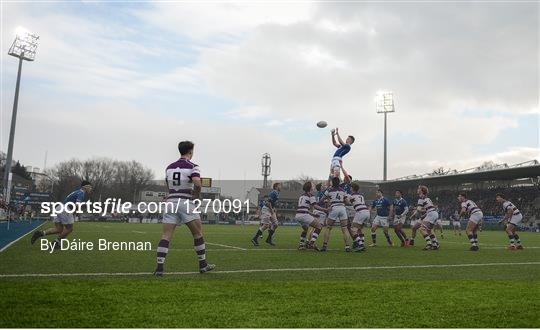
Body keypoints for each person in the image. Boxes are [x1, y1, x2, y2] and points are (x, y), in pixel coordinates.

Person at [153, 141, 214, 276]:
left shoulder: (169, 167)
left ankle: (159, 268)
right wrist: (196, 196)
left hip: (171, 201)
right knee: (198, 234)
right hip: (185, 202)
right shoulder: (193, 166)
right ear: (190, 151)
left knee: (166, 235)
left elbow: (168, 186)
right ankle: (203, 264)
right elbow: (197, 184)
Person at [31, 181, 93, 248]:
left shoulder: (77, 191)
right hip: (65, 209)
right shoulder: (81, 193)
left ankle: (40, 233)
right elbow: (77, 205)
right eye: (90, 187)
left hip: (59, 208)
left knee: (59, 229)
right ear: (85, 187)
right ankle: (56, 243)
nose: (90, 189)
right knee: (69, 229)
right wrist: (75, 213)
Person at [321, 177, 352, 252]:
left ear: (332, 182)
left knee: (328, 227)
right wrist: (351, 202)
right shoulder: (343, 190)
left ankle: (325, 246)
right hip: (342, 208)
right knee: (344, 228)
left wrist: (327, 199)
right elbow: (347, 202)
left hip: (334, 208)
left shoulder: (329, 190)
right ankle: (347, 246)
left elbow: (322, 199)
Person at [295, 182, 328, 250]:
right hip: (304, 215)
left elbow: (303, 208)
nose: (313, 186)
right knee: (319, 226)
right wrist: (325, 209)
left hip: (298, 215)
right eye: (312, 185)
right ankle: (312, 243)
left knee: (306, 229)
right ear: (310, 187)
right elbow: (315, 206)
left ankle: (301, 245)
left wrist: (313, 214)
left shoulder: (301, 196)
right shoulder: (311, 195)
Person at [411, 185, 440, 250]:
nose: (417, 190)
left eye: (419, 189)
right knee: (429, 230)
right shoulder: (427, 198)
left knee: (421, 229)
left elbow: (419, 209)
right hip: (434, 213)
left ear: (421, 191)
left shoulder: (421, 198)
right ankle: (435, 245)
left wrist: (414, 209)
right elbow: (428, 208)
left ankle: (429, 244)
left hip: (431, 214)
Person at [348, 182, 370, 252]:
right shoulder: (361, 196)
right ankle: (362, 243)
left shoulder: (351, 196)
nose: (350, 189)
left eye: (351, 187)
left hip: (360, 212)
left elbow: (348, 203)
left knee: (352, 229)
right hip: (366, 212)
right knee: (359, 229)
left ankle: (361, 245)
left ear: (352, 188)